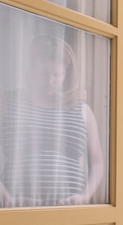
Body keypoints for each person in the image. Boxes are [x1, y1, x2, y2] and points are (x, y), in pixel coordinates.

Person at [0, 35, 105, 207]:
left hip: (69, 211)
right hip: (17, 211)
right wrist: (7, 199)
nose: (50, 81)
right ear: (29, 69)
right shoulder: (7, 102)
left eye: (57, 75)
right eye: (43, 73)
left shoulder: (82, 110)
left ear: (66, 74)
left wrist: (85, 196)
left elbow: (97, 163)